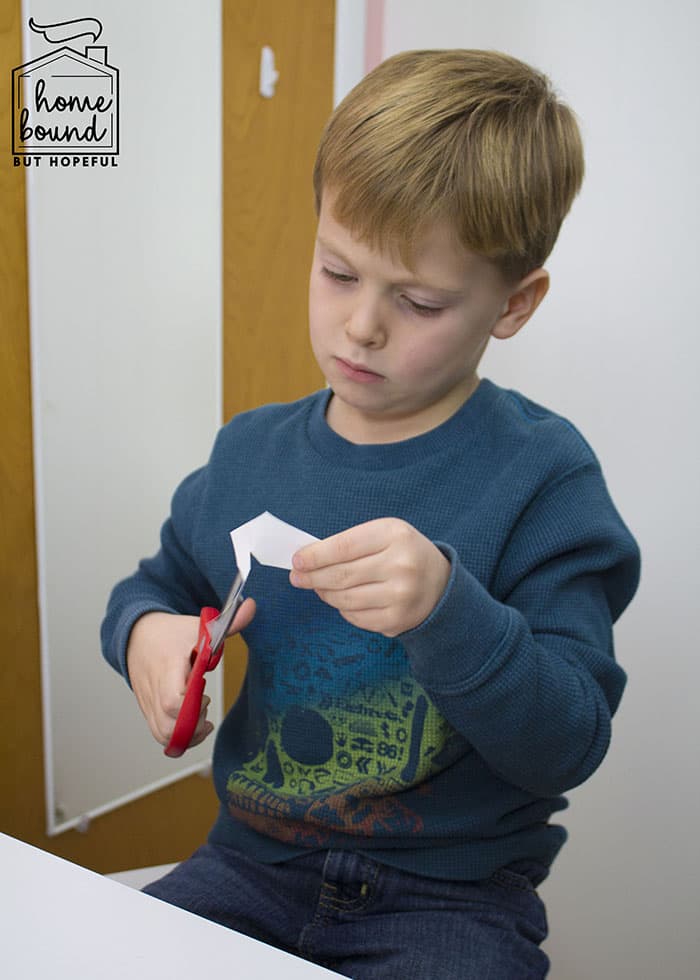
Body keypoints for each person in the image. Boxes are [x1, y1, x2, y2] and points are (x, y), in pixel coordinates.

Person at [102, 49, 640, 978]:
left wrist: (449, 612)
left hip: (451, 901)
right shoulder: (249, 453)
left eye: (419, 300)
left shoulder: (544, 481)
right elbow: (156, 586)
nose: (360, 327)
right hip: (248, 868)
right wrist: (148, 636)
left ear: (514, 303)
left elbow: (569, 740)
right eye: (338, 272)